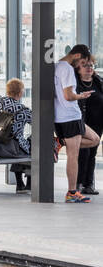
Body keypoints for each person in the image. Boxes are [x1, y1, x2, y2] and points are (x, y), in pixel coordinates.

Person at [54, 45, 100, 203]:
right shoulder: (67, 69)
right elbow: (68, 96)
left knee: (95, 139)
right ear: (77, 55)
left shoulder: (57, 66)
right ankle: (72, 192)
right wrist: (81, 96)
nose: (81, 65)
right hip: (70, 116)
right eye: (82, 61)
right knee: (73, 155)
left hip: (67, 116)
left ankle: (60, 142)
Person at [0, 79, 32, 192]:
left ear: (7, 91)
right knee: (31, 145)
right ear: (20, 93)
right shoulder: (23, 110)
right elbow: (37, 122)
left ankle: (20, 184)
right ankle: (28, 184)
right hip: (9, 149)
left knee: (17, 141)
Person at [76, 52, 103, 196]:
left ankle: (89, 184)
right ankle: (79, 183)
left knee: (92, 153)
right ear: (78, 68)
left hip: (97, 122)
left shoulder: (98, 82)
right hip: (81, 122)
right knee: (82, 152)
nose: (89, 68)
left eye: (91, 65)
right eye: (85, 65)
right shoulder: (75, 84)